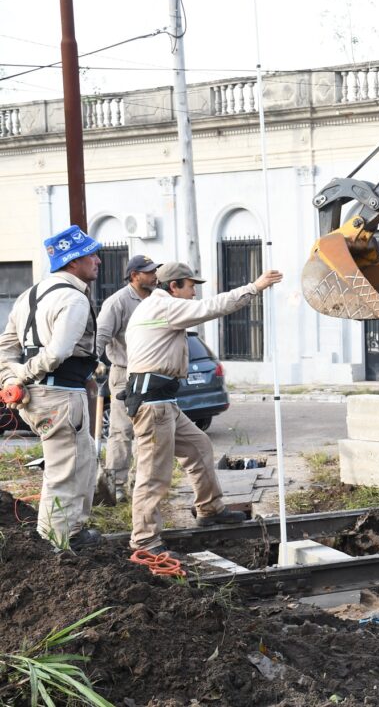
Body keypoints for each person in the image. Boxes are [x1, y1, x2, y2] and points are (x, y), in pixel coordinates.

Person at [124, 261, 283, 554]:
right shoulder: (163, 306)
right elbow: (213, 307)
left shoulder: (157, 307)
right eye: (191, 286)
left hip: (163, 401)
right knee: (154, 474)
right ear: (173, 287)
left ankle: (210, 509)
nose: (194, 293)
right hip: (153, 403)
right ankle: (145, 541)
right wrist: (254, 288)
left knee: (199, 446)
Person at [0, 225, 103, 549]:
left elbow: (6, 347)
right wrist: (22, 377)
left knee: (83, 460)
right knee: (64, 473)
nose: (98, 260)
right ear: (73, 262)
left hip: (40, 395)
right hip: (59, 395)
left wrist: (10, 378)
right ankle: (56, 547)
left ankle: (73, 532)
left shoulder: (29, 296)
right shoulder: (73, 299)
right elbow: (58, 352)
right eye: (91, 255)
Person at [94, 254, 160, 503]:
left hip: (152, 374)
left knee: (148, 432)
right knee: (122, 431)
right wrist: (93, 362)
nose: (154, 275)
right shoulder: (118, 302)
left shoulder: (157, 299)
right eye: (149, 271)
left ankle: (139, 482)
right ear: (134, 276)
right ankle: (116, 485)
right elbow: (101, 335)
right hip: (124, 373)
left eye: (155, 271)